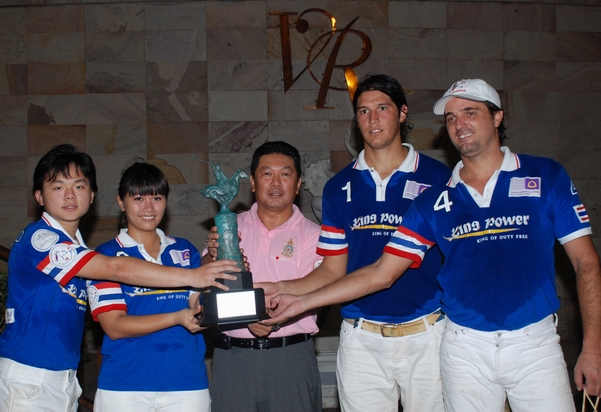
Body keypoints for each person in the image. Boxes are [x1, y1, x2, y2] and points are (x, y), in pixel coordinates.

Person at [265, 79, 601, 411]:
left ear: (498, 117)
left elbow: (586, 263)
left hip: (522, 340)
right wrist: (299, 300)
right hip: (459, 344)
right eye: (451, 118)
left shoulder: (542, 175)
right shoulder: (435, 200)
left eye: (470, 112)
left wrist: (593, 347)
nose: (459, 125)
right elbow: (381, 272)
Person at [258, 74, 451, 412]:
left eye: (382, 108)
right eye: (363, 111)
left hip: (428, 333)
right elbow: (333, 269)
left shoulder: (439, 179)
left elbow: (454, 259)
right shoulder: (339, 188)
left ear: (402, 113)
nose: (372, 120)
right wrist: (279, 287)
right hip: (361, 337)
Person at [0, 144, 240, 412]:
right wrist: (193, 276)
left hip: (64, 376)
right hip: (30, 375)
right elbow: (117, 270)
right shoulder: (42, 239)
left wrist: (217, 261)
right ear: (39, 197)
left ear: (92, 195)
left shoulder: (79, 250)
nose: (70, 196)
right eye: (58, 187)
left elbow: (199, 297)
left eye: (79, 186)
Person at [207, 141, 324, 412]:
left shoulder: (315, 235)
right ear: (252, 181)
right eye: (266, 173)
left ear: (298, 184)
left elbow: (312, 291)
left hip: (290, 359)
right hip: (233, 360)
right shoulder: (227, 225)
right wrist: (211, 252)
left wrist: (259, 316)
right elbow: (205, 282)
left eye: (285, 174)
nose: (275, 182)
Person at [87, 162, 211, 411]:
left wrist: (213, 300)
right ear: (121, 202)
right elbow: (115, 327)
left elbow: (197, 303)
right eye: (138, 198)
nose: (149, 208)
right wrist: (176, 317)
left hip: (186, 382)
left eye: (157, 197)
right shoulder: (106, 256)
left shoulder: (184, 250)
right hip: (124, 385)